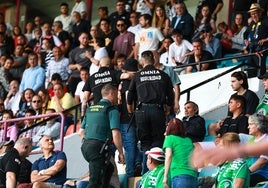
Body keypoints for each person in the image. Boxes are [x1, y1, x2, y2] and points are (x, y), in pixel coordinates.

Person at [127, 50, 174, 174]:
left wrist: (131, 111)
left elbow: (129, 95)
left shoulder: (137, 76)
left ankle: (145, 173)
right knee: (157, 141)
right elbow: (171, 94)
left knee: (145, 143)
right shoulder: (163, 75)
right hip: (157, 110)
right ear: (153, 60)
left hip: (141, 111)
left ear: (142, 62)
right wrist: (168, 108)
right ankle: (157, 172)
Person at [79, 83, 125, 187]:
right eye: (117, 94)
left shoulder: (90, 109)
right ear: (112, 94)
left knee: (109, 169)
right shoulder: (111, 110)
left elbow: (80, 132)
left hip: (85, 146)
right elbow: (115, 133)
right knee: (94, 182)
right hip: (98, 149)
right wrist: (121, 153)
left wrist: (89, 143)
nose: (118, 97)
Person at [118, 59, 141, 178]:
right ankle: (137, 164)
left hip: (127, 118)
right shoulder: (138, 81)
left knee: (129, 146)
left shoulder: (126, 82)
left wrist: (130, 111)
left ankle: (130, 173)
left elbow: (128, 97)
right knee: (134, 145)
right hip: (137, 117)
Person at [163, 118, 198, 188]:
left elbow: (169, 156)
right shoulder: (188, 140)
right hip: (193, 176)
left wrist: (165, 176)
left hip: (179, 175)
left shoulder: (170, 138)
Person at [244, 3, 268, 77]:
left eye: (255, 13)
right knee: (250, 69)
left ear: (260, 13)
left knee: (260, 69)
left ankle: (262, 82)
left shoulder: (266, 20)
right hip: (252, 49)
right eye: (252, 14)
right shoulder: (252, 23)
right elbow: (245, 33)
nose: (253, 16)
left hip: (262, 49)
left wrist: (265, 40)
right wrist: (246, 40)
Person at [246, 113, 268, 186]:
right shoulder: (252, 141)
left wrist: (245, 173)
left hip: (263, 174)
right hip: (253, 172)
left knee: (242, 181)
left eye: (250, 124)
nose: (248, 127)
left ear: (258, 125)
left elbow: (262, 161)